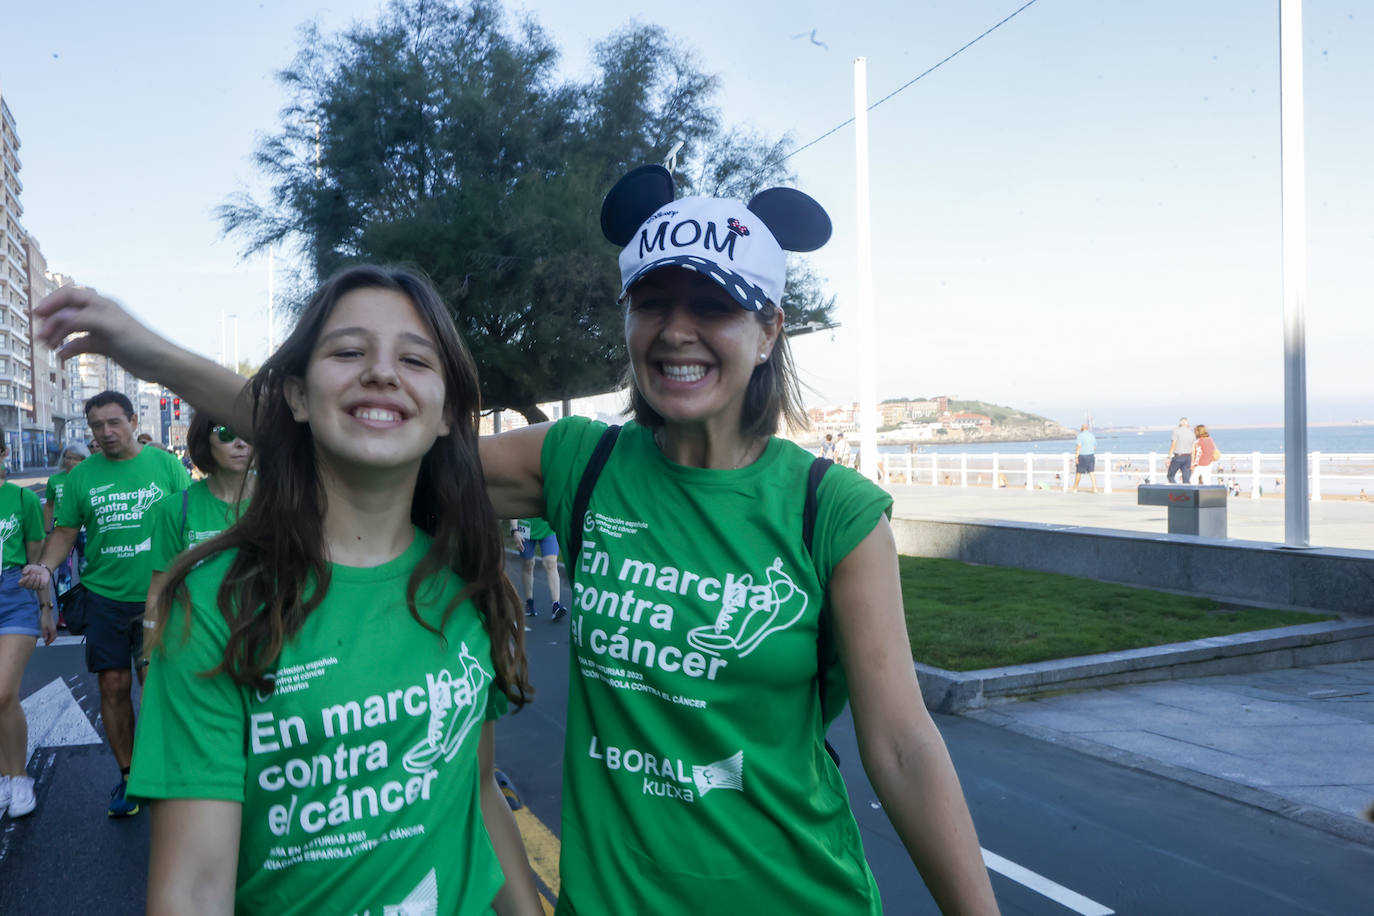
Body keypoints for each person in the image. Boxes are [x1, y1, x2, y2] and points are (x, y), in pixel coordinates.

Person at [32, 171, 998, 914]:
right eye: (652, 304)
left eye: (712, 307)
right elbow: (364, 425)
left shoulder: (832, 508)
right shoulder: (584, 463)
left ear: (770, 327)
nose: (677, 332)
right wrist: (144, 349)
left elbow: (905, 748)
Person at [40, 267, 543, 913]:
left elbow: (477, 795)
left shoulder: (469, 583)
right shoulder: (219, 604)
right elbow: (193, 890)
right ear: (297, 398)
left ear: (448, 414)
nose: (383, 373)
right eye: (349, 352)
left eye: (414, 358)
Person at [20, 391, 191, 817]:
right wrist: (45, 569)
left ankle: (164, 771)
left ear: (133, 421)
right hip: (105, 598)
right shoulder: (82, 478)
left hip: (160, 596)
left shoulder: (166, 466)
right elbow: (63, 533)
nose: (106, 432)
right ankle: (130, 777)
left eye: (114, 422)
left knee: (155, 686)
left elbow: (191, 520)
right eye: (97, 425)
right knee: (112, 687)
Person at [144, 412, 256, 616]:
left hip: (266, 637)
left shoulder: (281, 502)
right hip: (196, 639)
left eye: (249, 434)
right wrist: (153, 644)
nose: (241, 443)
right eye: (226, 433)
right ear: (204, 441)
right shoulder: (176, 509)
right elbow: (159, 590)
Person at [0, 432, 53, 820]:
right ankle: (4, 775)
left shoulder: (22, 499)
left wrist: (46, 609)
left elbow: (36, 563)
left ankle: (20, 778)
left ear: (3, 453)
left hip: (13, 593)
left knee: (2, 693)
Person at [509, 518, 567, 620]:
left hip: (547, 528)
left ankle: (556, 605)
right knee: (528, 564)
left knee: (551, 563)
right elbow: (513, 506)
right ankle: (529, 602)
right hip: (525, 527)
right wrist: (515, 530)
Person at [1166, 416, 1194, 483]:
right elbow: (1193, 447)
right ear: (1187, 424)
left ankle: (1176, 489)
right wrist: (1192, 460)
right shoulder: (1191, 433)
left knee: (1170, 475)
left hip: (1178, 456)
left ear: (1180, 423)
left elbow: (1173, 445)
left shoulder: (1176, 431)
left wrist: (1169, 457)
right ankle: (1186, 492)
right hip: (1188, 457)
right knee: (1186, 479)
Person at [1072, 423, 1097, 492]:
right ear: (1087, 428)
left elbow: (1078, 446)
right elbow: (1094, 447)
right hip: (1091, 455)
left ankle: (1075, 488)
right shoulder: (1092, 436)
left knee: (1078, 472)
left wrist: (1076, 457)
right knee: (1091, 472)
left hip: (1082, 456)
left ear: (1081, 428)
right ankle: (1095, 488)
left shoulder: (1080, 436)